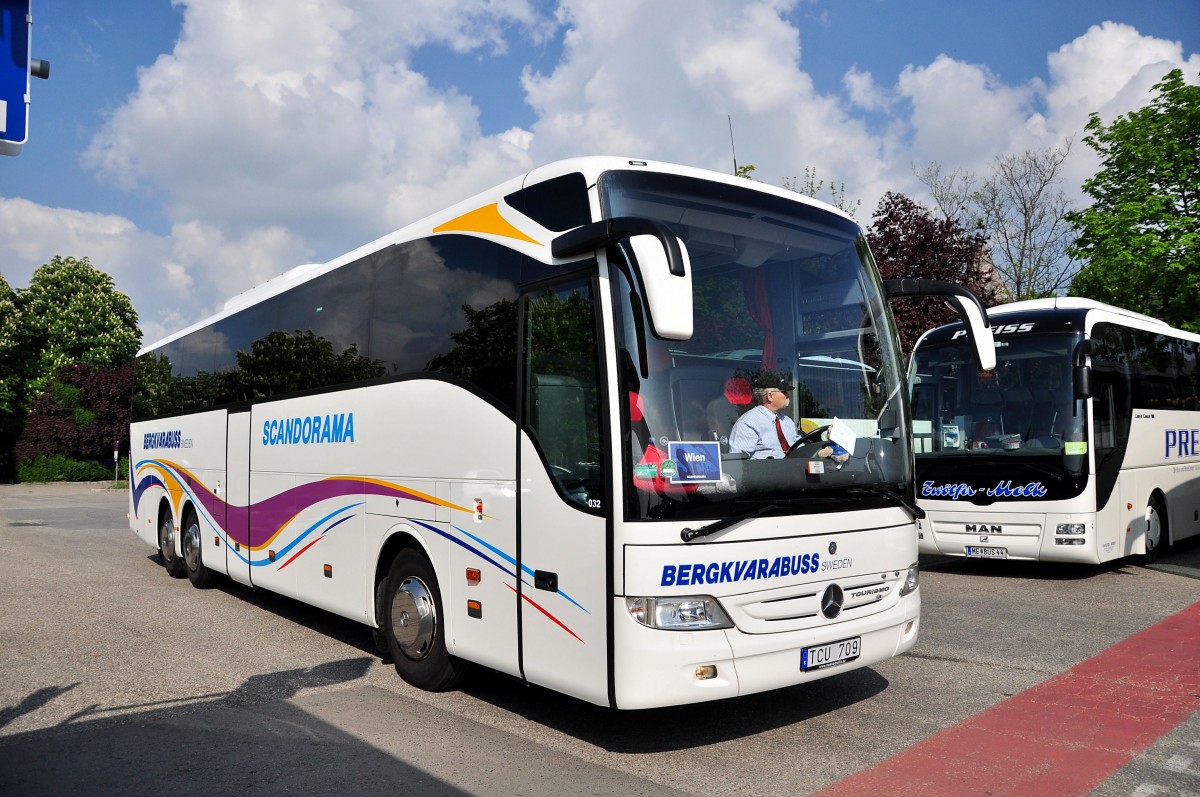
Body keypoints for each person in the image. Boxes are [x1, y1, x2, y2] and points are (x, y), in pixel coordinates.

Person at [728, 373, 798, 459]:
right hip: (764, 471)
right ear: (770, 396)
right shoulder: (749, 422)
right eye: (784, 391)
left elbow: (800, 448)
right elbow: (739, 461)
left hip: (794, 469)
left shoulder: (787, 421)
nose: (787, 395)